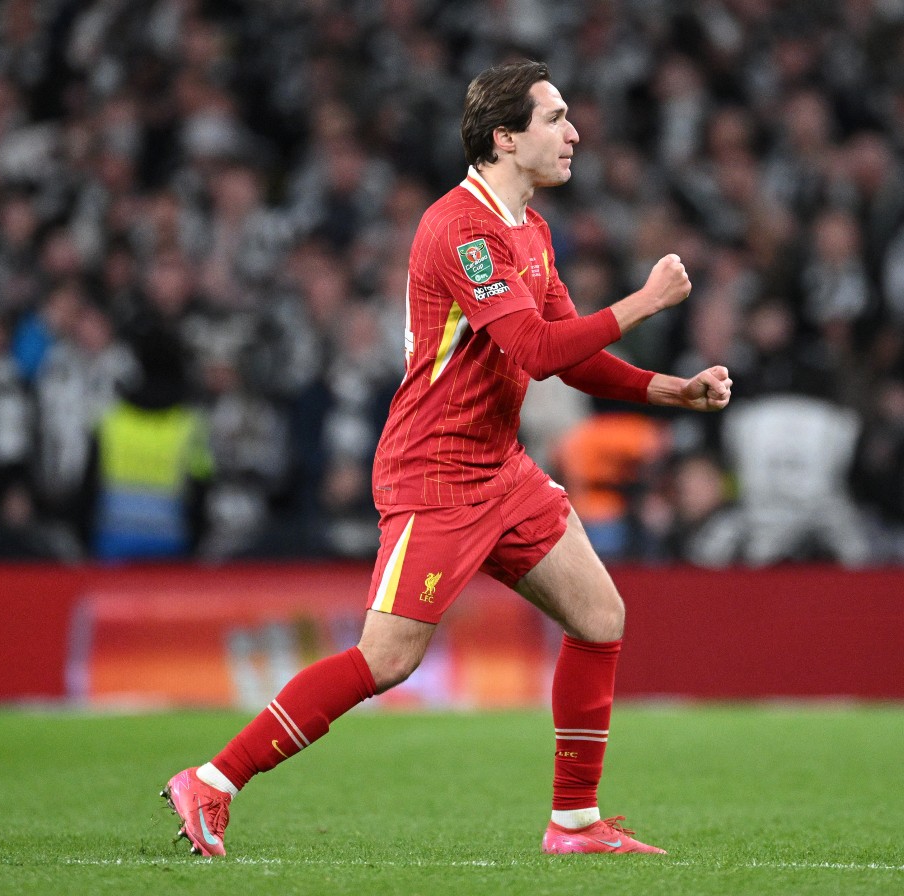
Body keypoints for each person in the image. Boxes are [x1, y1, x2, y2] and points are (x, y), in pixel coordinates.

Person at [161, 60, 732, 858]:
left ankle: (573, 824)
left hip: (500, 467)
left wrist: (670, 390)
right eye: (555, 118)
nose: (573, 133)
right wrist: (643, 301)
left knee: (601, 618)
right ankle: (213, 781)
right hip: (435, 473)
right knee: (387, 659)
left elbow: (569, 355)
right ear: (505, 136)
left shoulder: (530, 227)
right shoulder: (459, 228)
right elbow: (531, 349)